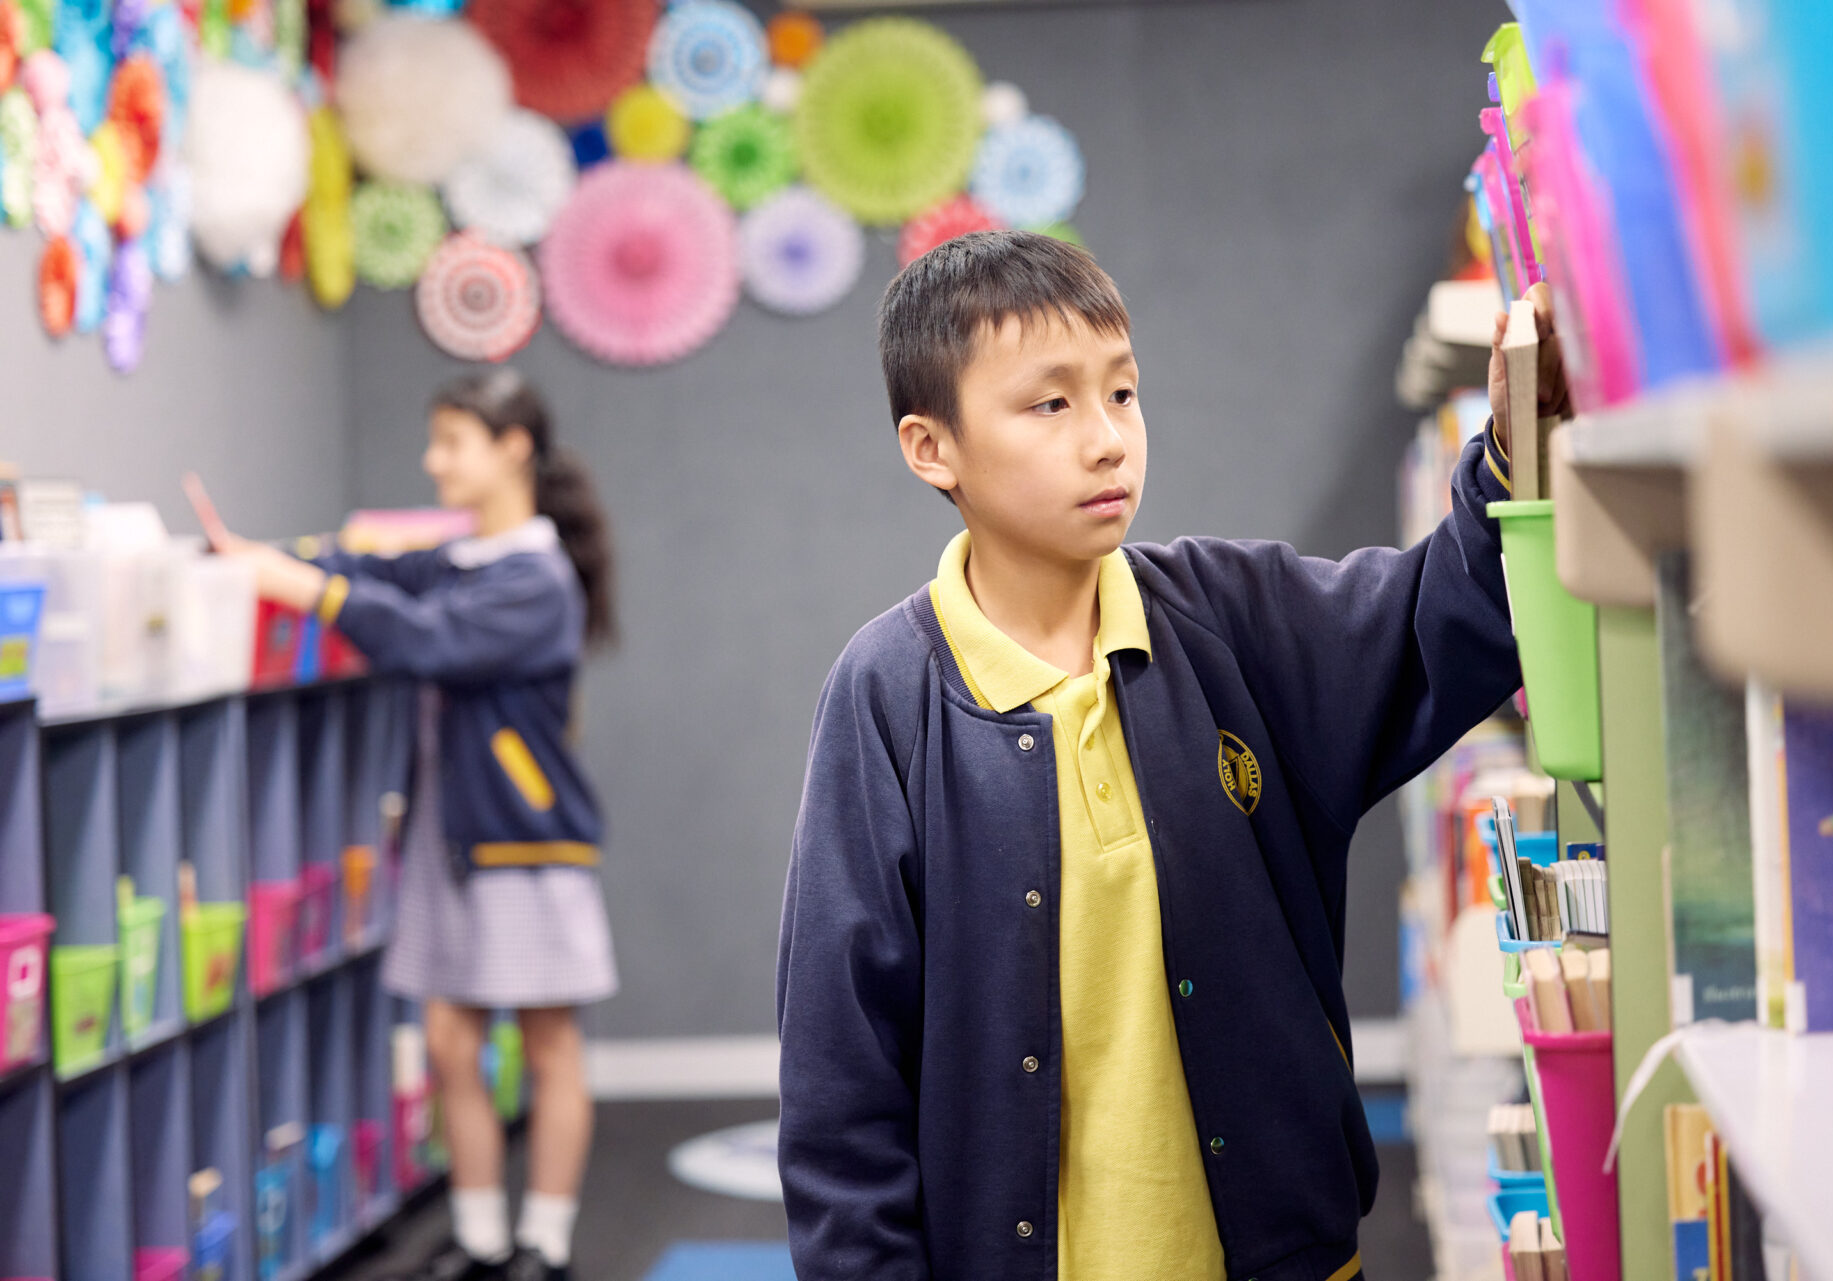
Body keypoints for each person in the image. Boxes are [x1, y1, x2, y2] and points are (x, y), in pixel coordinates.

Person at [777, 231, 1568, 1280]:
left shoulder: (1233, 619)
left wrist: (1514, 443)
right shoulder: (888, 696)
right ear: (933, 448)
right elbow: (842, 1071)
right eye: (1050, 405)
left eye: (1123, 392)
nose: (1107, 440)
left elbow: (1443, 619)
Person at [221, 369, 619, 1281]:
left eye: (452, 442)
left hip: (524, 843)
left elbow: (424, 638)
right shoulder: (465, 559)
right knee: (449, 1042)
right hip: (453, 842)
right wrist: (284, 558)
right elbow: (381, 574)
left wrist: (300, 586)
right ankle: (481, 1238)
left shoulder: (536, 580)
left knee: (550, 1044)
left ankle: (546, 1246)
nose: (434, 461)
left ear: (512, 449)